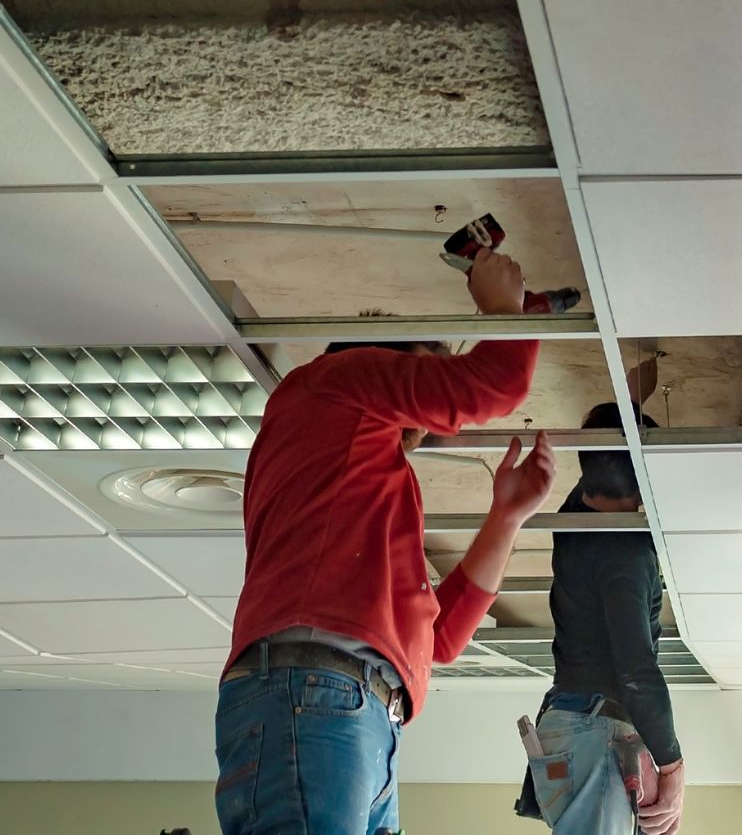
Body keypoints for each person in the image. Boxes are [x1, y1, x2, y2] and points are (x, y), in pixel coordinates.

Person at [216, 248, 559, 835]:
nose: (433, 395)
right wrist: (508, 312)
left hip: (329, 701)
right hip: (328, 700)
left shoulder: (352, 465)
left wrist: (505, 517)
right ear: (384, 357)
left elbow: (433, 639)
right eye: (435, 363)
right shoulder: (333, 383)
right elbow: (488, 386)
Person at [519, 402, 684, 835]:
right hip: (588, 726)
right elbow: (635, 669)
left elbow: (609, 465)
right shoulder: (626, 554)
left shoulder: (577, 510)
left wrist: (617, 431)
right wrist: (672, 765)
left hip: (580, 725)